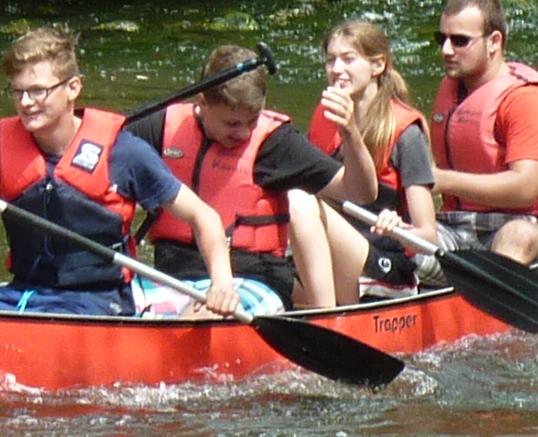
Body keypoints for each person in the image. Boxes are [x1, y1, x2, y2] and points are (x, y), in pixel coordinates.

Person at [0, 26, 239, 316]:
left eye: (38, 91)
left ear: (72, 87)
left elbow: (204, 216)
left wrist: (221, 285)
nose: (26, 103)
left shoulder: (124, 152)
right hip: (23, 293)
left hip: (98, 300)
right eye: (18, 92)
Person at [123, 45, 380, 313]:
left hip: (250, 279)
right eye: (232, 124)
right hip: (172, 278)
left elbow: (361, 192)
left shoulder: (275, 144)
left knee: (196, 318)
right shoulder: (161, 128)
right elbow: (99, 148)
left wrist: (350, 133)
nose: (244, 133)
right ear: (203, 103)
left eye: (252, 121)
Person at [299, 19, 440, 302]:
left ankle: (326, 319)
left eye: (348, 59)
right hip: (336, 254)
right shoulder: (324, 117)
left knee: (303, 204)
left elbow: (429, 237)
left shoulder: (406, 134)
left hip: (386, 260)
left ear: (378, 66)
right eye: (330, 60)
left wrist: (398, 228)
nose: (336, 69)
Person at [429, 0, 538, 264]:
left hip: (526, 225)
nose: (446, 50)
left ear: (494, 42)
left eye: (459, 40)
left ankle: (492, 302)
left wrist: (443, 180)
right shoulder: (451, 89)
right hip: (453, 226)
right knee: (393, 234)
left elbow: (524, 188)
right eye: (441, 38)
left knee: (518, 236)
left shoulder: (525, 99)